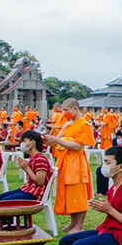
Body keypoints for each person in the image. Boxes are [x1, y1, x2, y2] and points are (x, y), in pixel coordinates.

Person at [44, 98, 96, 234]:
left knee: (78, 193)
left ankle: (80, 225)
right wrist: (49, 140)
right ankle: (73, 222)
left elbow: (78, 145)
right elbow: (59, 140)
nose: (63, 113)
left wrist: (57, 140)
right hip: (64, 163)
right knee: (69, 193)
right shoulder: (68, 124)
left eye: (66, 110)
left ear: (75, 109)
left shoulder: (83, 124)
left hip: (76, 163)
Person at [0, 131, 53, 201]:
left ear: (33, 143)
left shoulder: (40, 159)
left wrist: (27, 168)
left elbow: (40, 182)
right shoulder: (33, 158)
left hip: (35, 193)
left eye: (24, 141)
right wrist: (25, 167)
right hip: (28, 189)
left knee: (3, 202)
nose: (22, 144)